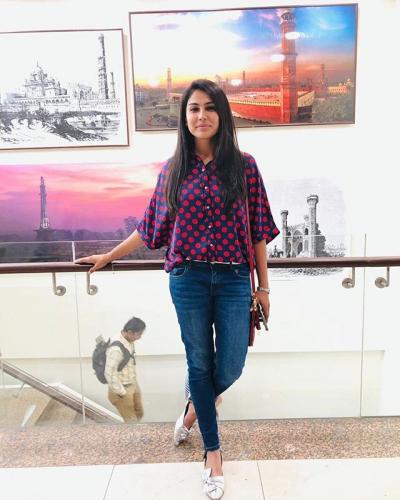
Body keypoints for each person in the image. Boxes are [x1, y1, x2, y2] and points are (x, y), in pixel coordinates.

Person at [76, 78, 279, 500]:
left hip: (234, 279)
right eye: (193, 109)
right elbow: (149, 228)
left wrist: (264, 287)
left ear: (222, 114)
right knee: (199, 363)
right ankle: (212, 452)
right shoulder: (174, 170)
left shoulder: (245, 166)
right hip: (187, 279)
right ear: (184, 117)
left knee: (231, 366)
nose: (201, 116)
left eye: (209, 107)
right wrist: (109, 255)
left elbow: (259, 231)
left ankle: (192, 410)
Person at [105, 316, 145, 423]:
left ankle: (136, 431)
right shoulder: (116, 349)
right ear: (130, 332)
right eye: (139, 334)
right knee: (131, 421)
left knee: (139, 413)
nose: (140, 337)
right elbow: (109, 373)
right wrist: (122, 393)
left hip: (132, 383)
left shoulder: (129, 341)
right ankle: (133, 433)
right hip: (122, 389)